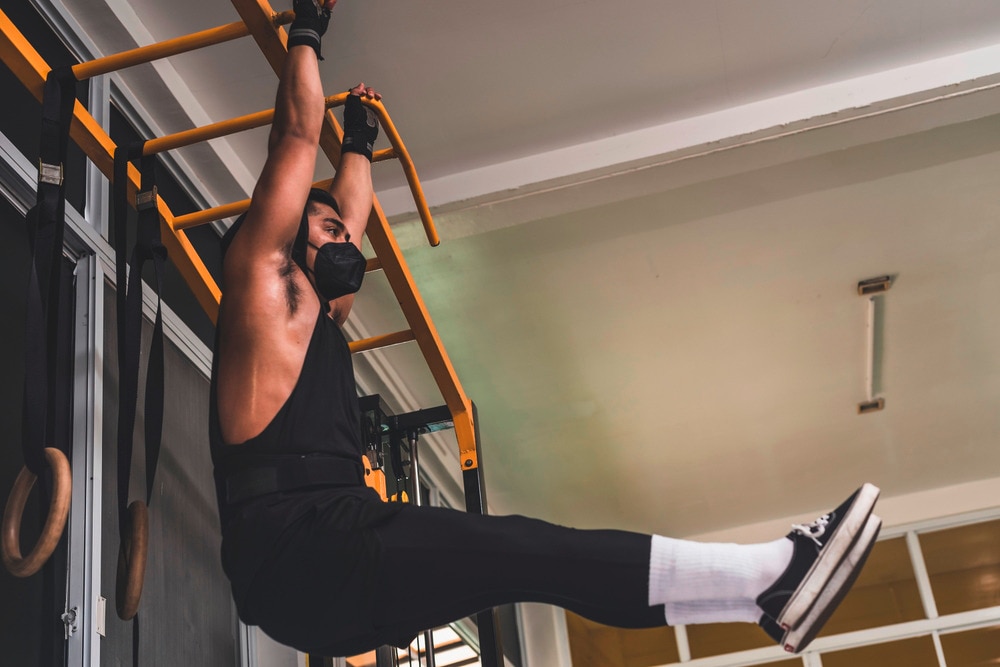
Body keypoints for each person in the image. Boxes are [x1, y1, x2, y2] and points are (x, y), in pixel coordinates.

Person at [209, 0, 883, 657]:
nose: (345, 238)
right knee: (528, 549)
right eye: (327, 228)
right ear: (284, 237)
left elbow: (349, 219)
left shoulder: (317, 316)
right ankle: (769, 577)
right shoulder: (262, 286)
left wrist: (359, 142)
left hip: (325, 566)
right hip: (301, 548)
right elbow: (296, 138)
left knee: (535, 561)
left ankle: (762, 591)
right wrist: (309, 25)